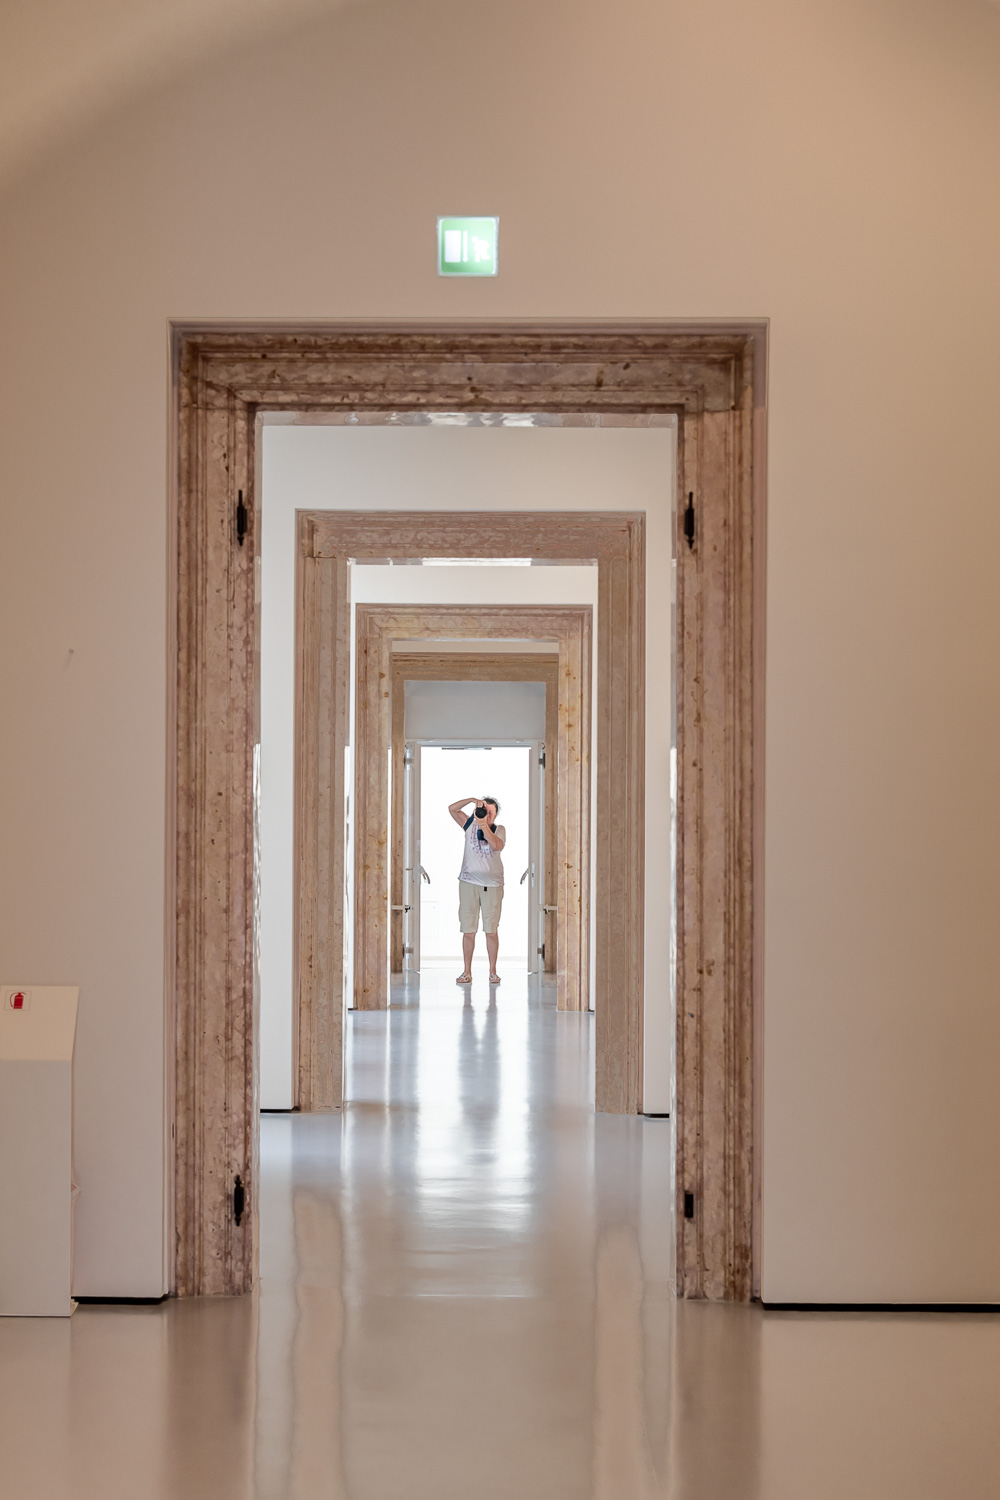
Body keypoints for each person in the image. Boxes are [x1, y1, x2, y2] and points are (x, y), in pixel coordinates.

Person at [448, 794, 506, 986]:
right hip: (468, 883)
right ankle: (467, 972)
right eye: (484, 811)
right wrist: (472, 800)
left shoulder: (499, 829)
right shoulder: (469, 824)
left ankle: (493, 972)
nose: (486, 815)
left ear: (495, 815)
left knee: (491, 930)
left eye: (490, 812)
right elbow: (452, 809)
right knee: (468, 930)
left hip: (493, 886)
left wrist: (483, 825)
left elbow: (496, 845)